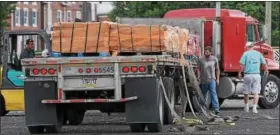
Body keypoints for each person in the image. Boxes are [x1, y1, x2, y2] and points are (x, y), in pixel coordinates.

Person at [238, 43, 268, 113]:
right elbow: (264, 63)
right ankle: (254, 108)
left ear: (247, 47)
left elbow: (242, 65)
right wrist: (266, 70)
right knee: (256, 92)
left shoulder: (245, 54)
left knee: (246, 92)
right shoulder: (259, 53)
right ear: (253, 47)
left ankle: (246, 107)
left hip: (248, 75)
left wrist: (239, 73)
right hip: (257, 75)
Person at [197, 46, 220, 115]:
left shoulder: (214, 59)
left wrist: (218, 79)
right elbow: (198, 68)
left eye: (207, 52)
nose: (205, 53)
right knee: (203, 95)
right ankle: (202, 108)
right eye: (205, 52)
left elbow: (217, 69)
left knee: (213, 93)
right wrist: (198, 77)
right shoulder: (201, 59)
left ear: (210, 52)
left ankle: (216, 108)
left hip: (212, 79)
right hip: (204, 80)